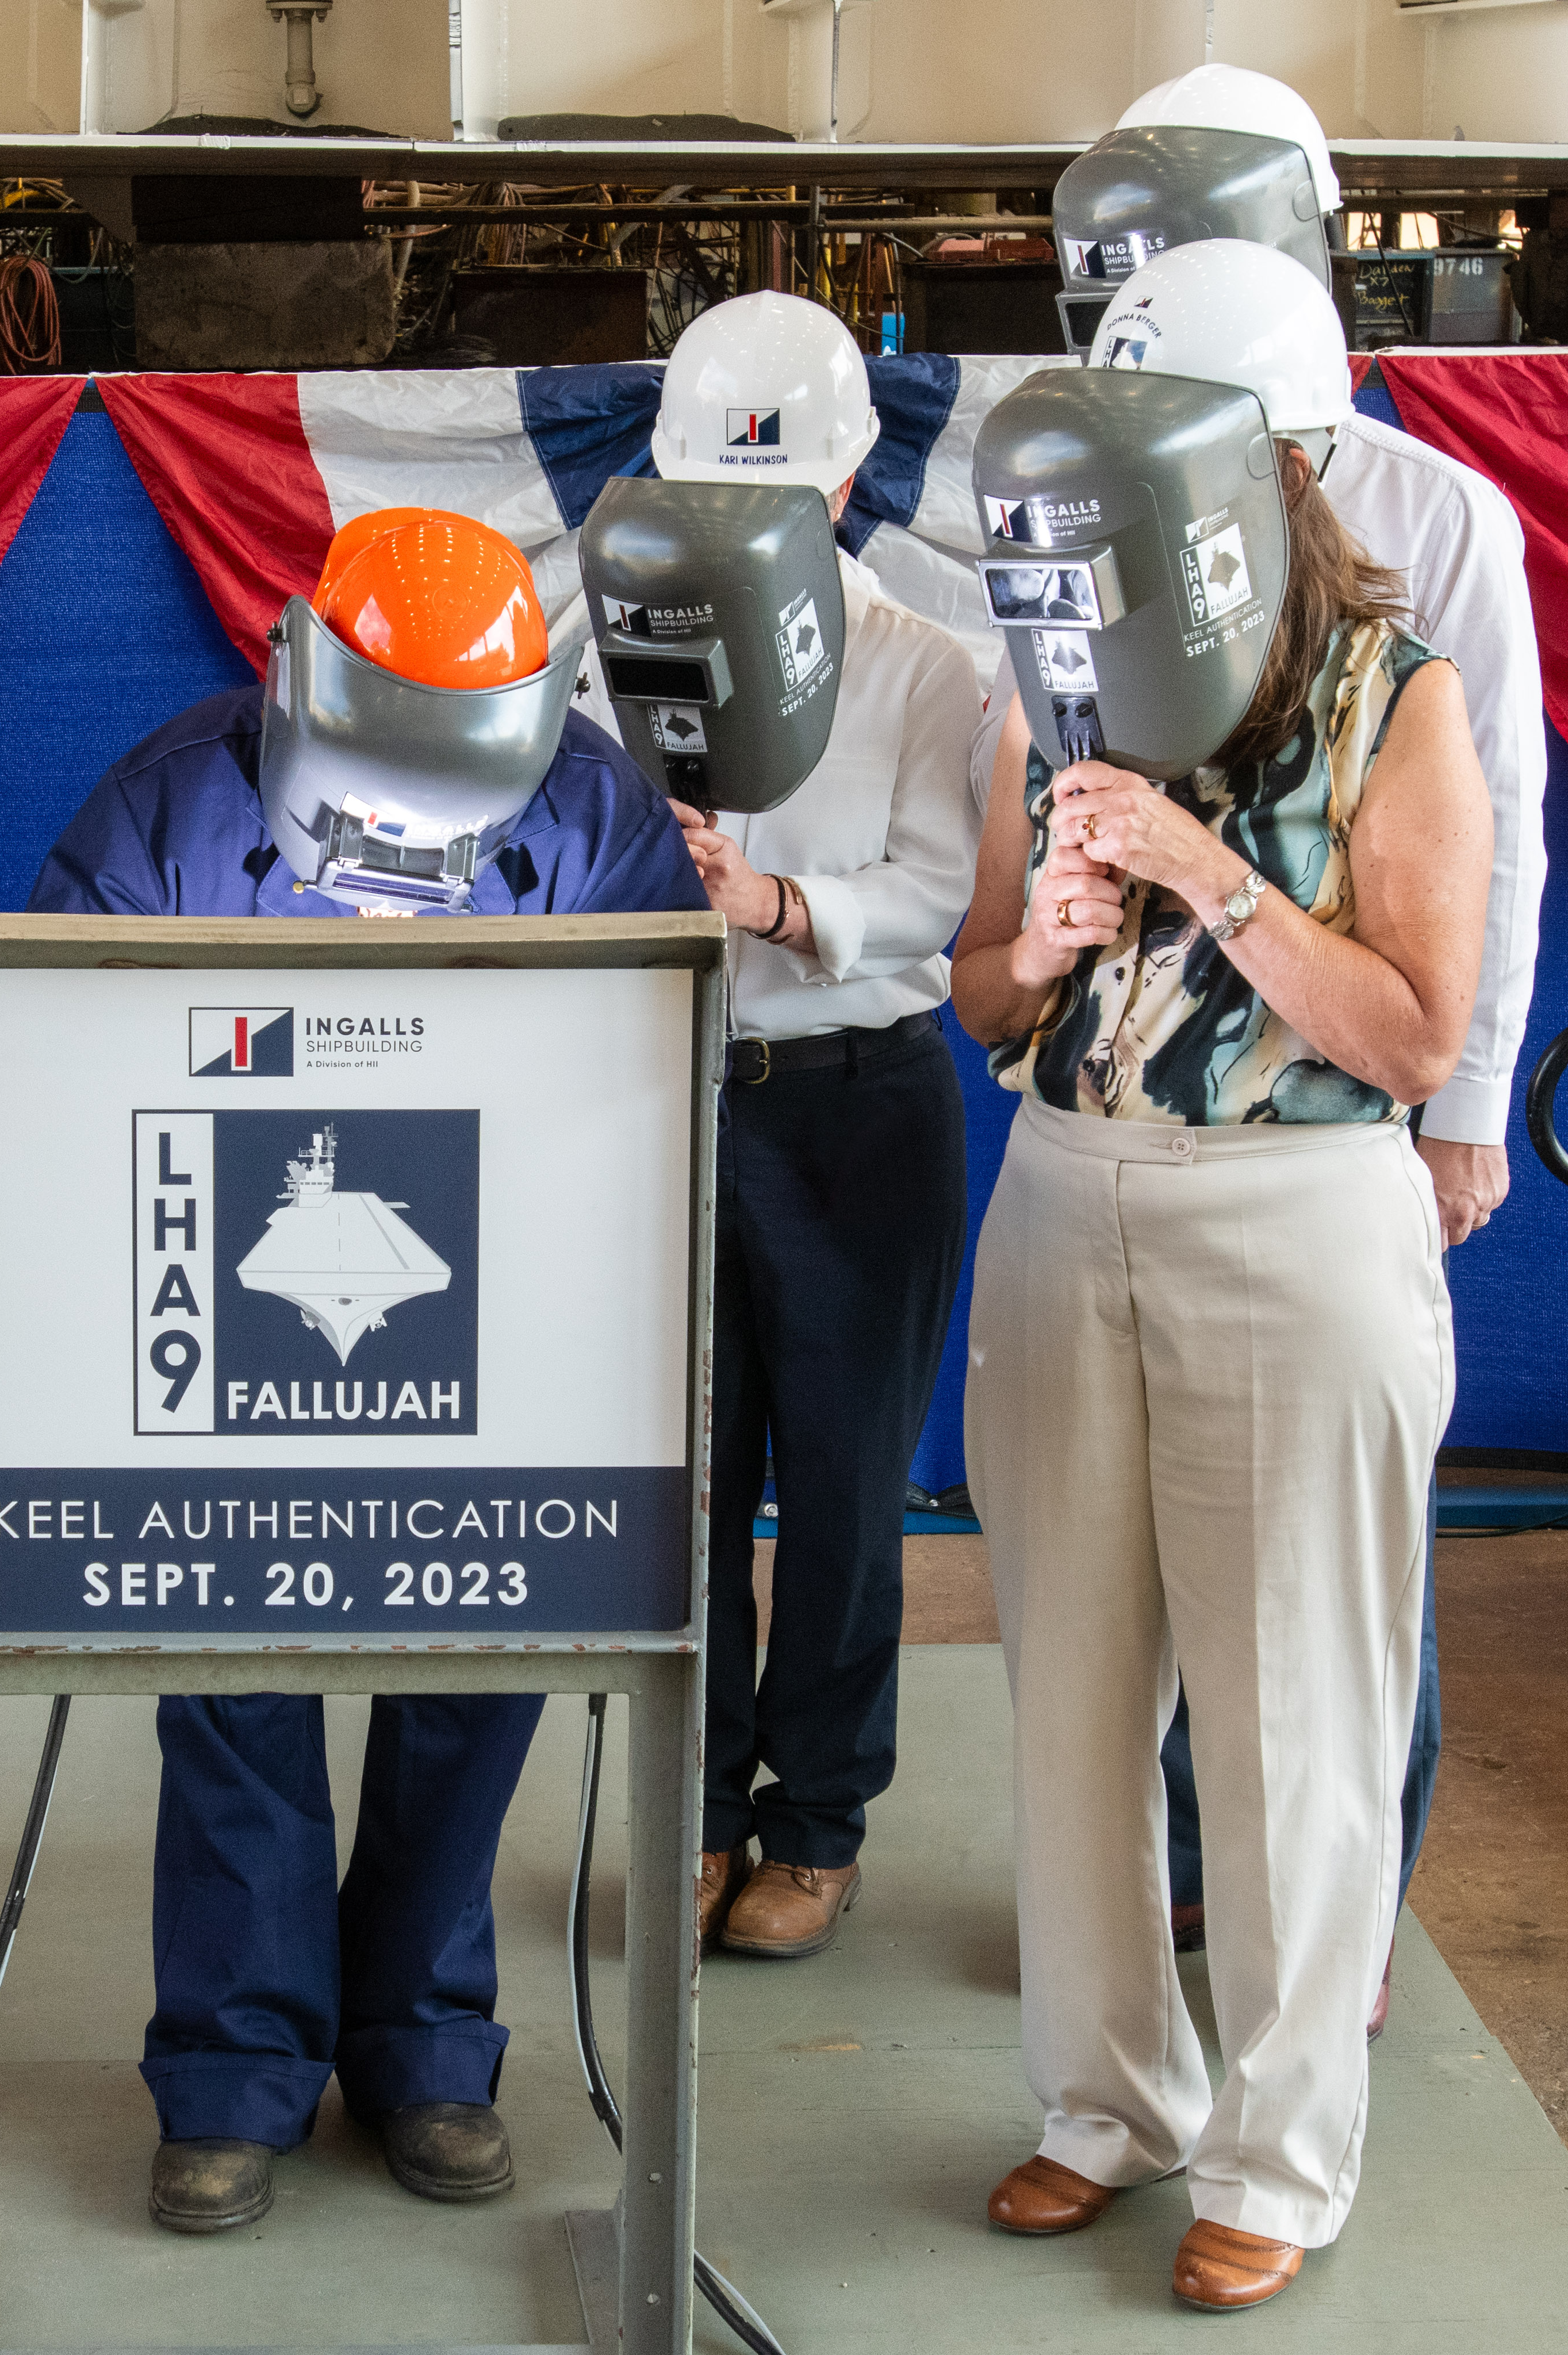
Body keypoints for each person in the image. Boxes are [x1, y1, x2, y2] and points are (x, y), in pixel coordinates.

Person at [30, 508, 709, 2234]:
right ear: (300, 677)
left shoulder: (590, 811)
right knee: (235, 1678)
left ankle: (423, 2045)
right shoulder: (167, 807)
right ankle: (234, 2068)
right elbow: (49, 1066)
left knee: (476, 1666)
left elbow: (664, 1058)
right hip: (232, 1320)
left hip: (508, 1325)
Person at [948, 242, 1493, 2313]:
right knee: (1073, 1686)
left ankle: (1278, 2150)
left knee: (1292, 1712)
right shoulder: (1049, 682)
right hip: (1066, 1177)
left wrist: (1210, 880)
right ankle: (1105, 2103)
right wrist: (1054, 938)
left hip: (1297, 1213)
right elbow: (979, 1000)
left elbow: (1413, 1036)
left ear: (1277, 468)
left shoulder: (1394, 692)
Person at [1064, 64, 1550, 2017]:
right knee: (1163, 1547)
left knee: (1340, 1557)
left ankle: (1334, 1926)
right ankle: (1193, 1893)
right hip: (1145, 1111)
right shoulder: (1090, 493)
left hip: (1346, 1095)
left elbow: (1490, 827)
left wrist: (1468, 1105)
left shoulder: (1438, 521)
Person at [654, 293, 984, 1965]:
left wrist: (776, 900)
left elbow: (940, 896)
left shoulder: (929, 669)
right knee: (691, 1481)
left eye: (769, 500)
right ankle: (697, 1808)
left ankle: (817, 1821)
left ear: (848, 486)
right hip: (674, 1099)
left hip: (858, 1105)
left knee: (847, 1491)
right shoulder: (610, 646)